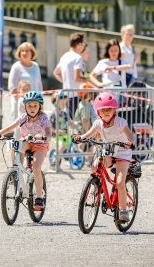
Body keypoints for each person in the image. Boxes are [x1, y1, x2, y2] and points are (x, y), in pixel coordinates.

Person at [74, 92, 134, 223]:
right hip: (109, 151)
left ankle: (123, 211)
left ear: (114, 110)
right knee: (96, 166)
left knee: (119, 182)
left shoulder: (120, 123)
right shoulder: (98, 124)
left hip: (123, 153)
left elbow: (131, 135)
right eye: (103, 110)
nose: (106, 112)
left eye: (109, 109)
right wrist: (80, 138)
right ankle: (97, 186)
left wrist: (130, 142)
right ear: (98, 112)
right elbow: (87, 135)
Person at [0, 91, 50, 210]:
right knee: (15, 145)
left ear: (40, 106)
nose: (32, 108)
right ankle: (15, 171)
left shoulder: (43, 118)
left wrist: (42, 136)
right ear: (25, 107)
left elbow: (48, 133)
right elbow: (10, 127)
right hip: (27, 142)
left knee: (36, 168)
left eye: (35, 106)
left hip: (40, 144)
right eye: (29, 106)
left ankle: (39, 198)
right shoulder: (23, 117)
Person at [53, 32, 88, 118]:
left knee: (71, 120)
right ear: (79, 44)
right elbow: (77, 78)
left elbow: (56, 73)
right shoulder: (77, 57)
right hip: (77, 94)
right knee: (79, 120)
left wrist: (65, 80)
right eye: (82, 44)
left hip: (67, 94)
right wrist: (86, 80)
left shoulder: (64, 56)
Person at [8, 42, 43, 120]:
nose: (24, 53)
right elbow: (12, 87)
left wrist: (41, 101)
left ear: (32, 53)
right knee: (20, 129)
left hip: (35, 104)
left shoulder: (36, 66)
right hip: (21, 104)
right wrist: (24, 103)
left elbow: (39, 85)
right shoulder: (16, 67)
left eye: (27, 51)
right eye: (22, 51)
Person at [73, 83, 96, 165]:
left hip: (85, 128)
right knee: (86, 144)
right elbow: (84, 121)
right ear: (88, 94)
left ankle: (89, 160)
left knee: (89, 145)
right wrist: (88, 133)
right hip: (82, 129)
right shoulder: (84, 106)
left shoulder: (87, 104)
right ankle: (84, 159)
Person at [49, 91, 73, 166]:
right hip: (57, 136)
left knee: (74, 141)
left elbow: (70, 122)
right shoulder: (54, 114)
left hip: (65, 136)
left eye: (64, 102)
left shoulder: (65, 114)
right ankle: (54, 160)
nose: (64, 102)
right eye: (62, 101)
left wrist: (75, 126)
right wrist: (57, 131)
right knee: (62, 145)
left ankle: (69, 157)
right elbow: (50, 127)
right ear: (55, 102)